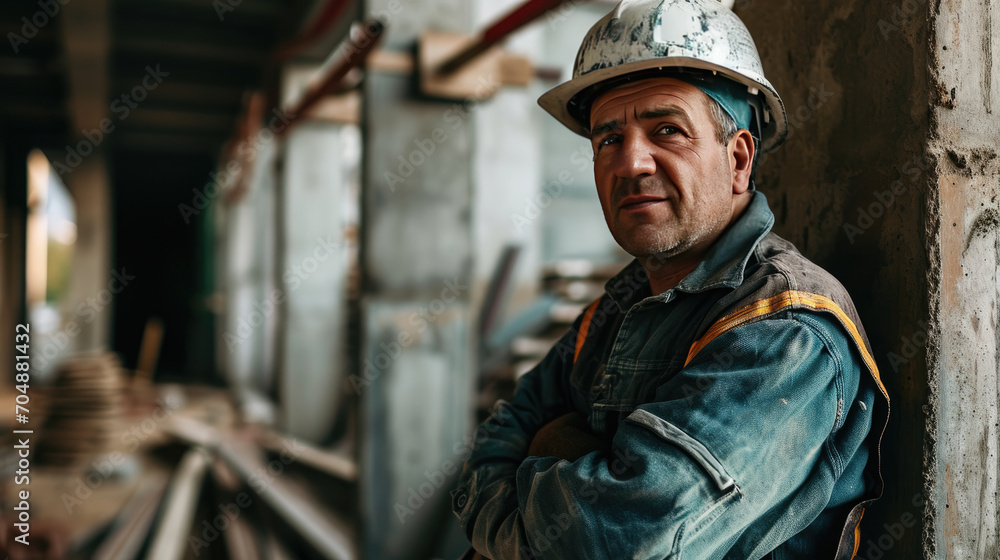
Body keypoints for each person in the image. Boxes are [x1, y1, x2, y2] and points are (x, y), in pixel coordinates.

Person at [451, 0, 889, 558]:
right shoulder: (620, 305)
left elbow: (613, 540)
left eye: (667, 129)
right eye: (608, 138)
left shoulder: (788, 329)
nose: (632, 163)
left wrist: (544, 456)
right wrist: (562, 483)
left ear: (738, 160)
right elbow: (489, 446)